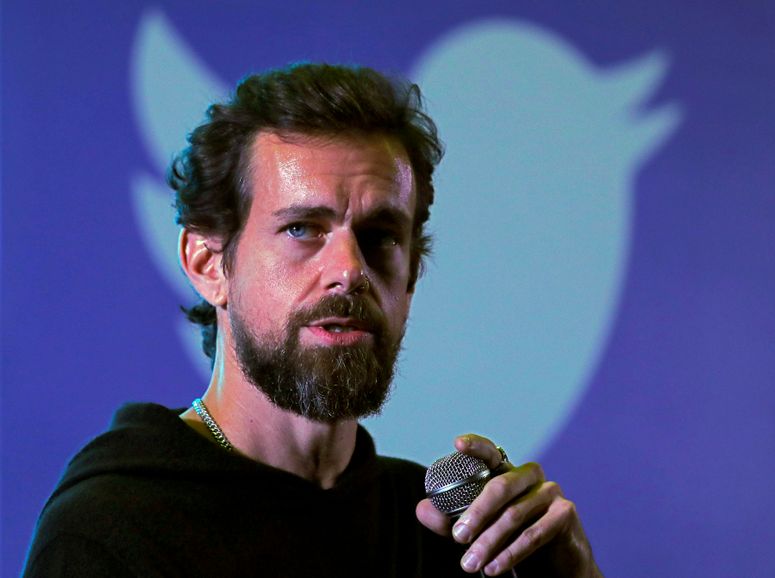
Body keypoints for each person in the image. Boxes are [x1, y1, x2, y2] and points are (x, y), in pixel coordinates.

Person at [24, 63, 603, 577]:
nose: (349, 270)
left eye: (379, 237)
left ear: (411, 277)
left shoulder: (448, 535)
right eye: (302, 229)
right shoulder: (111, 532)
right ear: (208, 264)